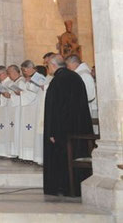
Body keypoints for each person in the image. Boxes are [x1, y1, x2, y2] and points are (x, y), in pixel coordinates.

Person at [43, 54, 93, 197]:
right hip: (79, 128)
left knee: (62, 159)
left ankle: (62, 187)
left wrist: (52, 132)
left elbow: (54, 110)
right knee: (77, 155)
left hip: (62, 131)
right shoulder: (75, 77)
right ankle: (77, 187)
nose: (48, 68)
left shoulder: (58, 80)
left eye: (48, 66)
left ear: (53, 65)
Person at [19, 60, 40, 162]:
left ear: (30, 68)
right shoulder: (27, 79)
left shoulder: (38, 77)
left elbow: (33, 92)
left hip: (34, 108)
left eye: (24, 70)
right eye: (23, 70)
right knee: (26, 131)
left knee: (31, 132)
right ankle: (26, 156)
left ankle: (32, 156)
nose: (24, 72)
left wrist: (22, 93)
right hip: (27, 108)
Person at [65, 54, 98, 119]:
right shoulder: (79, 74)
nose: (68, 68)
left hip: (86, 108)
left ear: (74, 63)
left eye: (68, 65)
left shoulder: (84, 75)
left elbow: (90, 95)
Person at [33, 64, 50, 165]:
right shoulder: (43, 80)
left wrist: (45, 87)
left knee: (43, 134)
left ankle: (45, 158)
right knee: (39, 135)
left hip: (45, 110)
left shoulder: (49, 79)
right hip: (39, 110)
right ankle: (40, 158)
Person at [6, 65, 23, 158]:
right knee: (13, 131)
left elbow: (21, 97)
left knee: (17, 131)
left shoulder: (21, 81)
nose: (8, 75)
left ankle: (18, 152)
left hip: (18, 110)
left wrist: (10, 96)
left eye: (9, 73)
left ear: (14, 72)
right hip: (13, 110)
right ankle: (14, 152)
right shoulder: (14, 82)